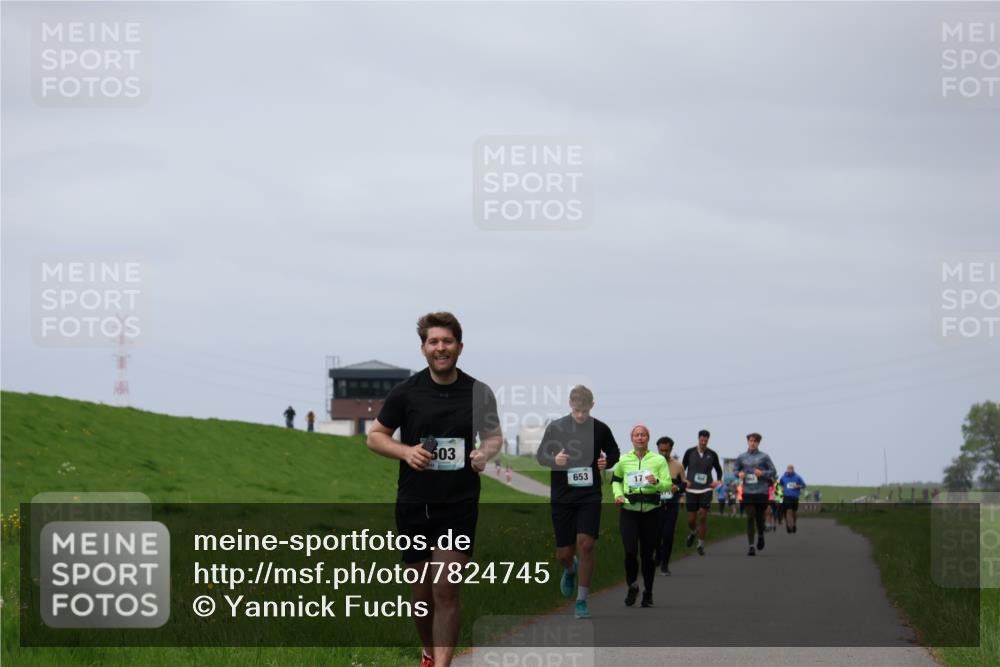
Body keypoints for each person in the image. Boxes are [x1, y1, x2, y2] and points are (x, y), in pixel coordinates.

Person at [366, 312, 503, 667]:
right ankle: (428, 652)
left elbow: (493, 437)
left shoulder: (479, 392)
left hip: (459, 503)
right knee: (422, 596)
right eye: (433, 342)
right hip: (414, 504)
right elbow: (375, 437)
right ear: (424, 348)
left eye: (447, 341)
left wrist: (483, 454)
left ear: (459, 346)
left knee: (445, 588)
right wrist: (406, 451)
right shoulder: (406, 392)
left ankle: (442, 664)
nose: (440, 348)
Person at [536, 385, 621, 619]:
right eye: (576, 410)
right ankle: (570, 569)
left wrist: (607, 462)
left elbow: (614, 452)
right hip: (563, 496)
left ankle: (582, 601)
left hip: (590, 495)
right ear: (570, 405)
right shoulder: (556, 427)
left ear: (591, 406)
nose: (580, 415)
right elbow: (541, 455)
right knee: (564, 554)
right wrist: (555, 458)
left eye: (584, 410)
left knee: (586, 544)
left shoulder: (601, 429)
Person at [611, 424, 670, 607]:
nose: (640, 438)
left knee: (647, 556)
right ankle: (633, 585)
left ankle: (648, 592)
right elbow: (616, 481)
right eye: (637, 435)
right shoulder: (623, 460)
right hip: (629, 511)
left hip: (651, 512)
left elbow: (668, 484)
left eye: (643, 435)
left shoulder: (658, 460)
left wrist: (657, 482)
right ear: (632, 438)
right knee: (630, 553)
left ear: (648, 438)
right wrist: (618, 495)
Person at [734, 433, 777, 556]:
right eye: (751, 441)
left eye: (755, 441)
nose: (753, 443)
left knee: (759, 516)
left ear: (758, 443)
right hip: (748, 491)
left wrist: (762, 473)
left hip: (761, 491)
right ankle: (751, 546)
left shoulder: (764, 457)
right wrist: (739, 474)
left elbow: (773, 471)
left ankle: (761, 535)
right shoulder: (741, 457)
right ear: (747, 442)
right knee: (750, 515)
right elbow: (735, 470)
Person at [681, 429, 723, 556]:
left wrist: (718, 481)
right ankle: (693, 532)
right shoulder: (689, 452)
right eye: (702, 440)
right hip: (691, 489)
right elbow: (682, 468)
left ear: (708, 440)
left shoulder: (712, 454)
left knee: (703, 516)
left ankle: (700, 544)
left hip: (706, 488)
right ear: (698, 439)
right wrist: (684, 481)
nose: (704, 442)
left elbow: (719, 470)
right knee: (691, 520)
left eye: (706, 440)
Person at [653, 436, 687, 575]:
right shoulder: (652, 463)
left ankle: (665, 565)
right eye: (661, 450)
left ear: (671, 449)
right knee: (655, 535)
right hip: (655, 504)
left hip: (671, 505)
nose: (663, 453)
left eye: (666, 451)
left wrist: (678, 489)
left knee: (668, 535)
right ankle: (658, 554)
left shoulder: (678, 465)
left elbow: (684, 484)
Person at [779, 465, 806, 534]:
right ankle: (788, 526)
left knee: (794, 512)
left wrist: (798, 486)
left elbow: (804, 485)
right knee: (788, 511)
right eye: (788, 471)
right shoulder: (784, 476)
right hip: (786, 496)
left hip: (795, 497)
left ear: (793, 470)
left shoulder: (797, 477)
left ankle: (794, 524)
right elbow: (780, 483)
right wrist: (782, 488)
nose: (789, 472)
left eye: (790, 471)